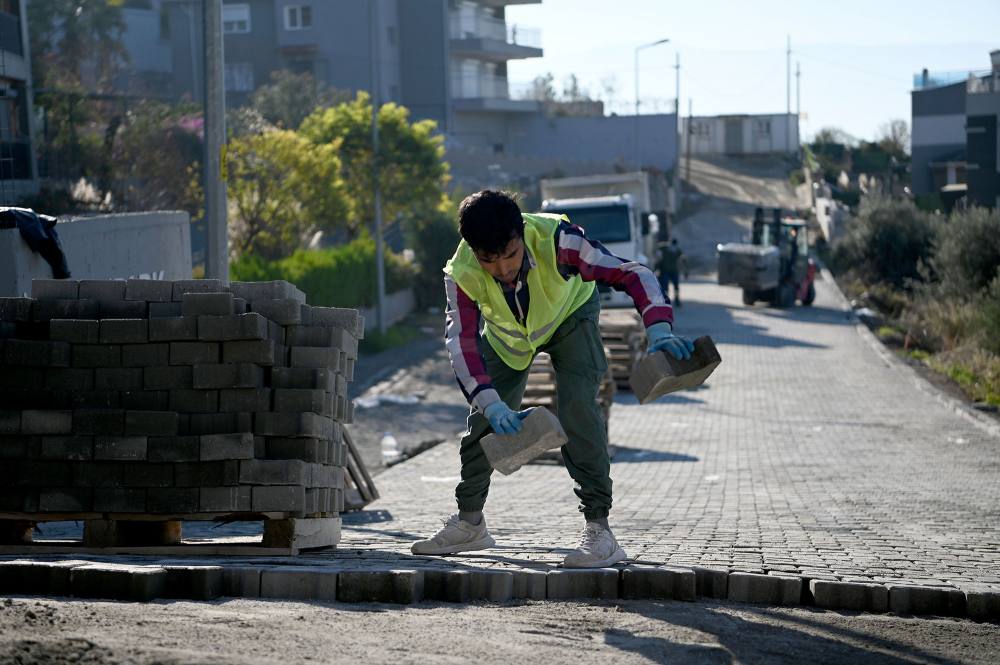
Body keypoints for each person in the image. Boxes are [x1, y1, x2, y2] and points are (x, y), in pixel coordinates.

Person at [410, 190, 694, 568]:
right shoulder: (461, 272)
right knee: (482, 424)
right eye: (488, 261)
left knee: (578, 409)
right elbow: (459, 340)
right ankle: (469, 523)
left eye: (510, 255)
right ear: (473, 250)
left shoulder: (559, 241)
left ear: (521, 233)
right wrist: (489, 400)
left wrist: (657, 327)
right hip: (508, 337)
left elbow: (632, 273)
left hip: (570, 316)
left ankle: (600, 532)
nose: (502, 270)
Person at [655, 238, 686, 306]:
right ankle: (667, 300)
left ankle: (676, 299)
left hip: (672, 271)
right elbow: (658, 256)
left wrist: (685, 270)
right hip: (666, 270)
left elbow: (682, 259)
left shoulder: (676, 250)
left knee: (675, 286)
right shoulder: (665, 248)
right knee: (666, 286)